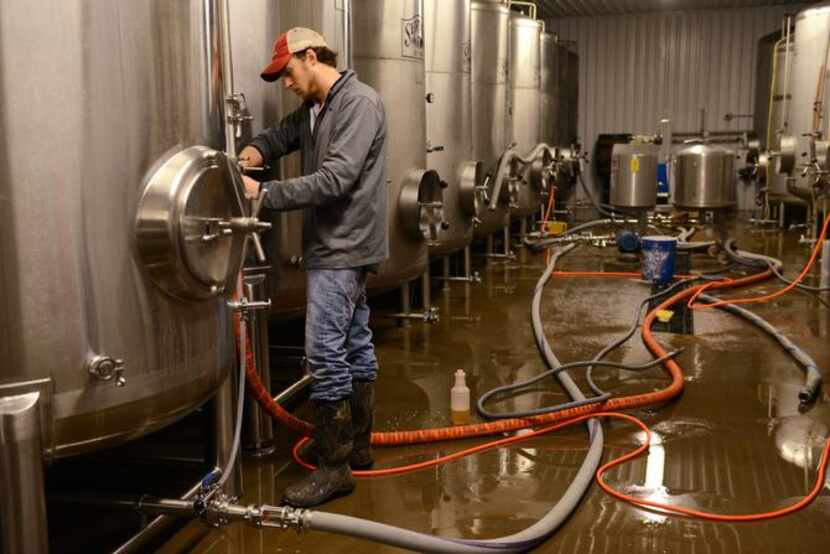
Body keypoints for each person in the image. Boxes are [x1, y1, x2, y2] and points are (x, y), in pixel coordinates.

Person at [239, 28, 388, 508]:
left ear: (309, 57)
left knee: (324, 352)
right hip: (338, 245)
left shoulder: (358, 104)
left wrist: (262, 194)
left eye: (287, 72)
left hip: (344, 246)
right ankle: (358, 447)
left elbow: (336, 180)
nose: (285, 82)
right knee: (353, 343)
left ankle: (333, 468)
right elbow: (283, 135)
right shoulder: (316, 109)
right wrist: (258, 151)